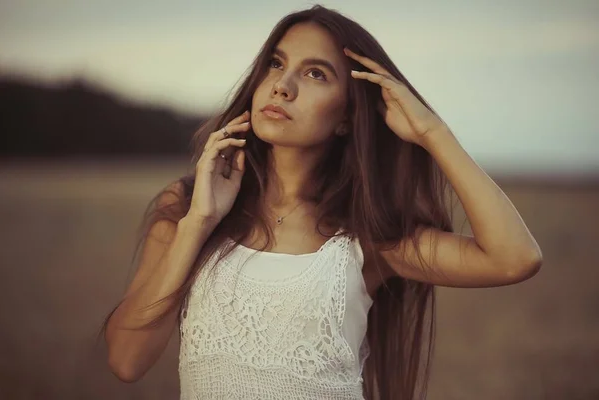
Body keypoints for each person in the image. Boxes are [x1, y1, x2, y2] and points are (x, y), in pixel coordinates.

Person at [101, 5, 542, 399]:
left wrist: (434, 134)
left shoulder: (369, 238)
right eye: (276, 64)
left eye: (316, 74)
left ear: (348, 118)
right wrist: (199, 223)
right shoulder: (185, 207)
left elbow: (514, 259)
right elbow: (127, 360)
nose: (283, 86)